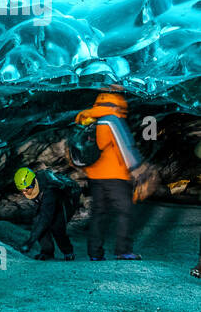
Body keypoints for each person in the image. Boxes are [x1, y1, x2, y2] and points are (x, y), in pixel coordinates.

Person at [74, 87, 141, 261]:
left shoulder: (89, 119)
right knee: (125, 212)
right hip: (116, 176)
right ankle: (123, 250)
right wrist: (136, 168)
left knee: (99, 214)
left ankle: (95, 253)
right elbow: (123, 145)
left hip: (95, 176)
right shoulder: (112, 119)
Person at [14, 167, 77, 260]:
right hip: (45, 202)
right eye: (21, 190)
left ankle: (68, 252)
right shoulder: (33, 186)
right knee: (37, 223)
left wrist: (30, 242)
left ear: (33, 183)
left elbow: (45, 218)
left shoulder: (50, 191)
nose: (24, 193)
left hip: (62, 203)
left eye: (26, 190)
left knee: (57, 227)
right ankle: (47, 252)